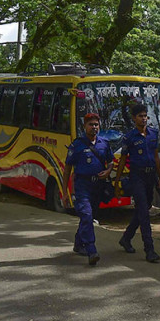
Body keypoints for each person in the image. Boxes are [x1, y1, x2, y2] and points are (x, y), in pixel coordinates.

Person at [62, 112, 113, 267]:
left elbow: (110, 161)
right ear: (84, 126)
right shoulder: (77, 145)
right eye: (91, 124)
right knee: (87, 214)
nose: (94, 127)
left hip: (98, 186)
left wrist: (109, 171)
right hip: (82, 185)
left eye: (96, 124)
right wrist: (65, 193)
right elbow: (67, 169)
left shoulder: (104, 143)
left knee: (88, 217)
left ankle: (78, 243)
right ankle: (91, 250)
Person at [115, 103, 160, 263]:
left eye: (145, 115)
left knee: (145, 207)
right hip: (137, 177)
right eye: (140, 116)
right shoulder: (129, 138)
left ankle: (126, 238)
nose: (144, 119)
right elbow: (122, 161)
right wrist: (117, 182)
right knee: (144, 213)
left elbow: (156, 157)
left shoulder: (153, 134)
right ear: (134, 118)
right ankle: (149, 250)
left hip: (151, 177)